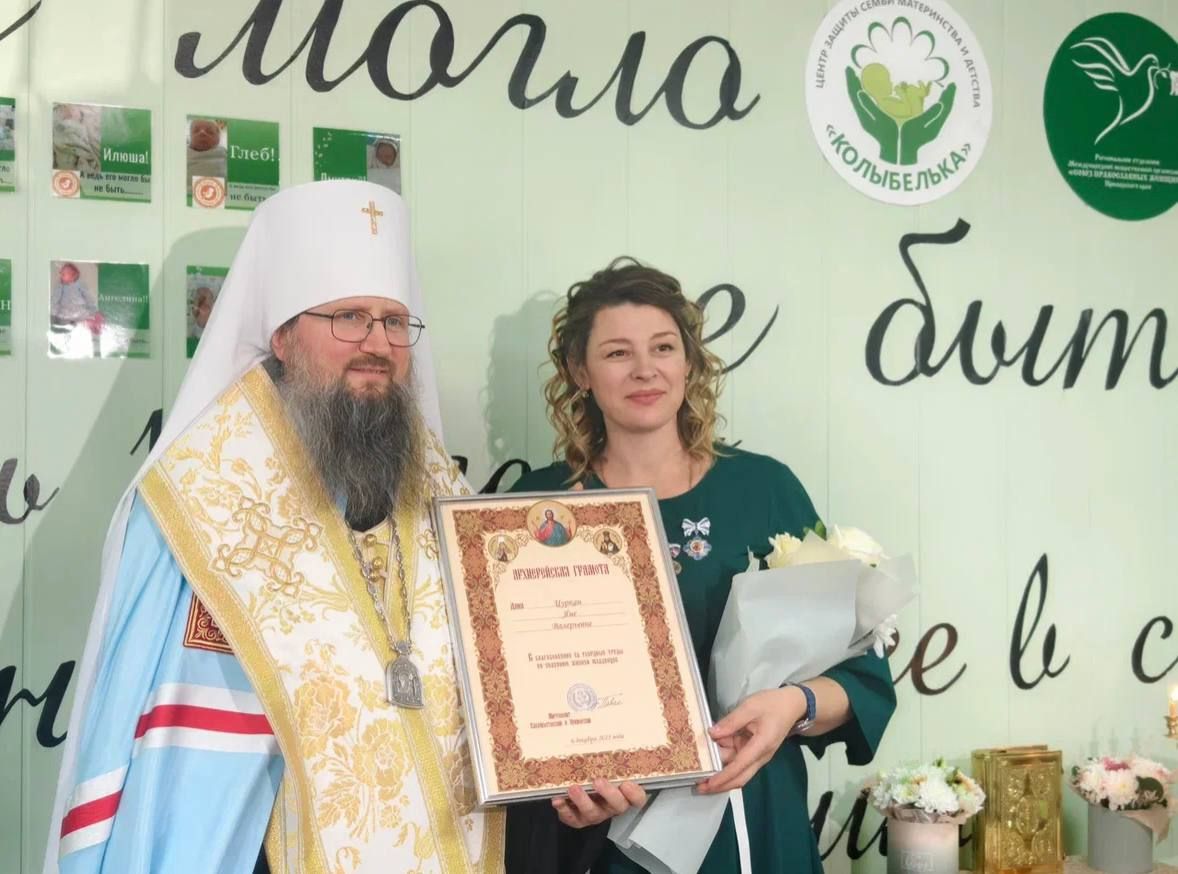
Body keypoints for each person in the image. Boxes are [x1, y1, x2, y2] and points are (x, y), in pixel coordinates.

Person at [44, 181, 637, 874]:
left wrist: (573, 779)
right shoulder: (196, 503)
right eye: (349, 317)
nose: (376, 344)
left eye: (394, 323)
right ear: (282, 337)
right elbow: (175, 752)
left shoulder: (442, 492)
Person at [510, 258, 896, 874]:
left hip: (751, 821)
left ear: (689, 362)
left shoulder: (765, 489)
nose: (645, 369)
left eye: (663, 347)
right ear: (580, 371)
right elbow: (509, 696)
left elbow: (862, 677)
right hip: (606, 839)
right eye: (617, 353)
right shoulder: (537, 507)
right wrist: (564, 789)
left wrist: (791, 706)